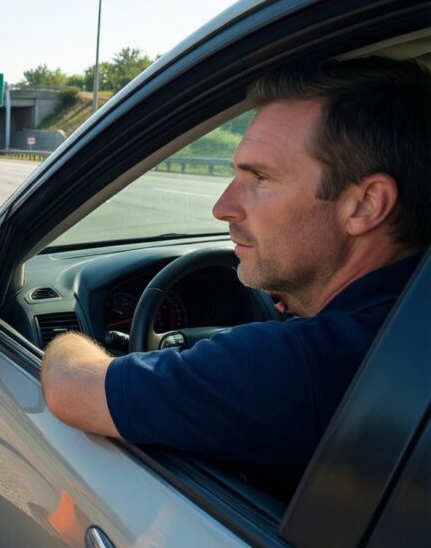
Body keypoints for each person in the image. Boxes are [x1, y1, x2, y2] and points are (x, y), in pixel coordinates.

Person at [40, 57, 430, 492]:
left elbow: (67, 387)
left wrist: (67, 340)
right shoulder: (403, 325)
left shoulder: (297, 367)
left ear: (366, 205)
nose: (222, 207)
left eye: (260, 177)